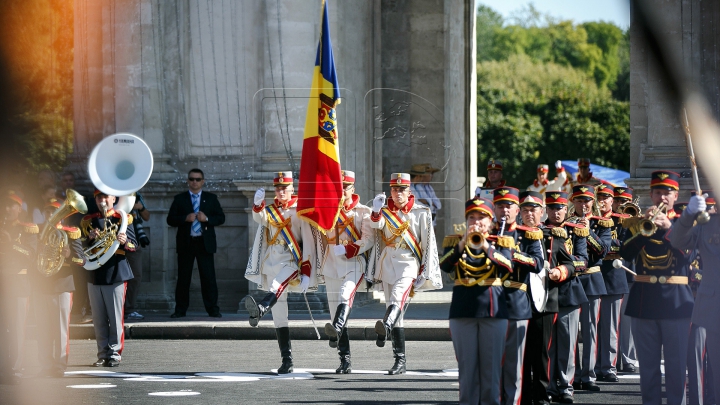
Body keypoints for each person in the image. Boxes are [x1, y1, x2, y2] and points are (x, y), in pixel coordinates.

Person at [622, 170, 694, 405]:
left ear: (676, 196)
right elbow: (625, 253)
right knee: (648, 369)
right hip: (644, 302)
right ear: (651, 195)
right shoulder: (637, 223)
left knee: (676, 367)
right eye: (658, 192)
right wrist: (646, 230)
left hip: (676, 302)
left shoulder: (685, 222)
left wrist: (669, 229)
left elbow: (688, 255)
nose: (663, 197)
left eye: (668, 193)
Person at [367, 173, 442, 375]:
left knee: (398, 297)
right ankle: (399, 360)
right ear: (391, 191)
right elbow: (376, 226)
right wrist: (375, 209)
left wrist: (424, 271)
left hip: (409, 262)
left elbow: (427, 245)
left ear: (409, 191)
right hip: (388, 262)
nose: (398, 193)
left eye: (402, 189)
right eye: (395, 189)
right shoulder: (384, 211)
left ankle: (385, 324)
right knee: (395, 310)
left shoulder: (421, 212)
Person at [439, 196, 511, 404]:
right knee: (467, 369)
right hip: (463, 310)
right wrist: (462, 244)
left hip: (492, 310)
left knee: (491, 369)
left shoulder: (502, 241)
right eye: (472, 217)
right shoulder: (454, 241)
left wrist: (487, 246)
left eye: (482, 218)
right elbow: (444, 265)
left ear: (491, 221)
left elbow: (508, 266)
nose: (477, 222)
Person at [244, 171, 317, 374]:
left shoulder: (300, 210)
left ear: (292, 188)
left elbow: (308, 242)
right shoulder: (271, 210)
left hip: (291, 261)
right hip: (272, 262)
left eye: (285, 187)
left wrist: (306, 271)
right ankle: (287, 360)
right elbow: (260, 219)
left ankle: (260, 307)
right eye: (278, 188)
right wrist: (257, 205)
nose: (281, 191)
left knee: (277, 286)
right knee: (280, 315)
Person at [519, 191, 578, 405]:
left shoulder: (553, 236)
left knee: (542, 353)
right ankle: (522, 396)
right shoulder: (513, 235)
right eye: (525, 210)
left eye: (534, 210)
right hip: (517, 302)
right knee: (521, 354)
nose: (529, 214)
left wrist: (560, 271)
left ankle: (542, 395)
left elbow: (571, 264)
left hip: (545, 300)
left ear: (542, 212)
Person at [490, 187, 544, 405]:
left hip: (515, 302)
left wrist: (514, 253)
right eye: (500, 205)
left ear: (517, 210)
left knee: (514, 364)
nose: (505, 210)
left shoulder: (527, 235)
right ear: (494, 208)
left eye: (509, 206)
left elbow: (538, 263)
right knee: (491, 362)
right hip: (490, 302)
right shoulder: (486, 233)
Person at [318, 170, 374, 374]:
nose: (342, 191)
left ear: (353, 189)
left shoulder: (363, 212)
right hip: (332, 264)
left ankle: (339, 337)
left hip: (353, 263)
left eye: (346, 187)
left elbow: (368, 239)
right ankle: (345, 359)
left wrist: (350, 248)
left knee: (345, 296)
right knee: (335, 315)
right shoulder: (329, 210)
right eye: (339, 188)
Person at [81, 190, 136, 367]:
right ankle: (102, 353)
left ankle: (114, 353)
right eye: (99, 197)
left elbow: (134, 245)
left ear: (114, 198)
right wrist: (89, 240)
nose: (102, 200)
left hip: (115, 271)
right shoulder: (88, 221)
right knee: (98, 318)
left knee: (115, 317)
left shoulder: (123, 219)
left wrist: (124, 240)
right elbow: (81, 247)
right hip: (95, 272)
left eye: (106, 197)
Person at [544, 191, 590, 403]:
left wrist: (562, 268)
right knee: (548, 343)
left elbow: (583, 261)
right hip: (543, 293)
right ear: (546, 209)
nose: (556, 212)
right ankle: (548, 385)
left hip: (567, 290)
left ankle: (565, 385)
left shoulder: (576, 231)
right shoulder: (538, 231)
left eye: (560, 208)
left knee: (567, 341)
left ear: (566, 209)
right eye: (552, 208)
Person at [32, 199, 83, 377]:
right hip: (41, 285)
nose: (51, 215)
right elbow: (30, 257)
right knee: (42, 327)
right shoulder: (37, 232)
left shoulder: (71, 233)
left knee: (61, 328)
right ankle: (45, 364)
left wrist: (68, 255)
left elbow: (81, 259)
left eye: (55, 212)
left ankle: (60, 365)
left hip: (62, 285)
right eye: (48, 212)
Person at [166, 168, 225, 318]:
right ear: (188, 181)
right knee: (183, 278)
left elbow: (221, 218)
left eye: (198, 179)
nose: (194, 182)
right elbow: (170, 219)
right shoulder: (180, 198)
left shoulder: (211, 198)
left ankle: (213, 309)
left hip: (204, 243)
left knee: (208, 278)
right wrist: (184, 218)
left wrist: (207, 219)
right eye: (192, 179)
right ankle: (180, 310)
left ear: (202, 181)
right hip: (187, 243)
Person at [569, 185, 611, 392]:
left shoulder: (602, 224)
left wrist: (587, 232)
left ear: (592, 202)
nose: (583, 204)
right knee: (571, 332)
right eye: (579, 200)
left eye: (587, 201)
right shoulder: (566, 223)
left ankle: (589, 374)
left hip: (592, 279)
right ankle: (574, 374)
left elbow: (603, 250)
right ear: (573, 202)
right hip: (573, 279)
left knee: (590, 330)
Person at [0, 191, 38, 382]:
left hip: (18, 283)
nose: (7, 209)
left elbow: (31, 254)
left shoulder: (27, 229)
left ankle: (15, 366)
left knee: (16, 328)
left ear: (19, 208)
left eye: (11, 205)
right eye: (5, 205)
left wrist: (11, 243)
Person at [594, 184, 630, 383]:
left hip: (613, 274)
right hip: (592, 274)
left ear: (612, 199)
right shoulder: (590, 220)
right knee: (591, 327)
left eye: (606, 197)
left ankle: (608, 366)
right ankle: (591, 365)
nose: (602, 200)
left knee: (609, 326)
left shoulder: (621, 221)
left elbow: (625, 246)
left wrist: (605, 245)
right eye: (599, 196)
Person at [612, 186, 638, 373]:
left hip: (630, 272)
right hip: (612, 276)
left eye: (625, 202)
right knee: (612, 322)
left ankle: (628, 359)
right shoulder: (608, 222)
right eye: (618, 202)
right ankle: (611, 360)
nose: (622, 206)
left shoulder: (637, 222)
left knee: (628, 321)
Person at [125, 192, 150, 321]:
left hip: (135, 243)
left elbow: (147, 217)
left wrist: (140, 207)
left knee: (135, 276)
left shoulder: (136, 195)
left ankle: (129, 309)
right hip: (116, 240)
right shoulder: (111, 193)